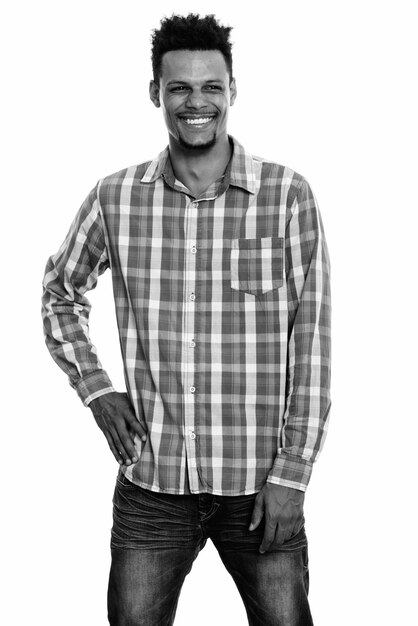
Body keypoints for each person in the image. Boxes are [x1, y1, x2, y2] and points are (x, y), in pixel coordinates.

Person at [41, 13, 331, 626]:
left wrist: (294, 477)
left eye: (210, 87)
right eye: (179, 88)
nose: (195, 102)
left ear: (232, 91)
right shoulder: (115, 198)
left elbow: (314, 343)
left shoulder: (286, 196)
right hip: (154, 480)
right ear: (156, 93)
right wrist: (96, 391)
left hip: (259, 485)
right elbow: (59, 292)